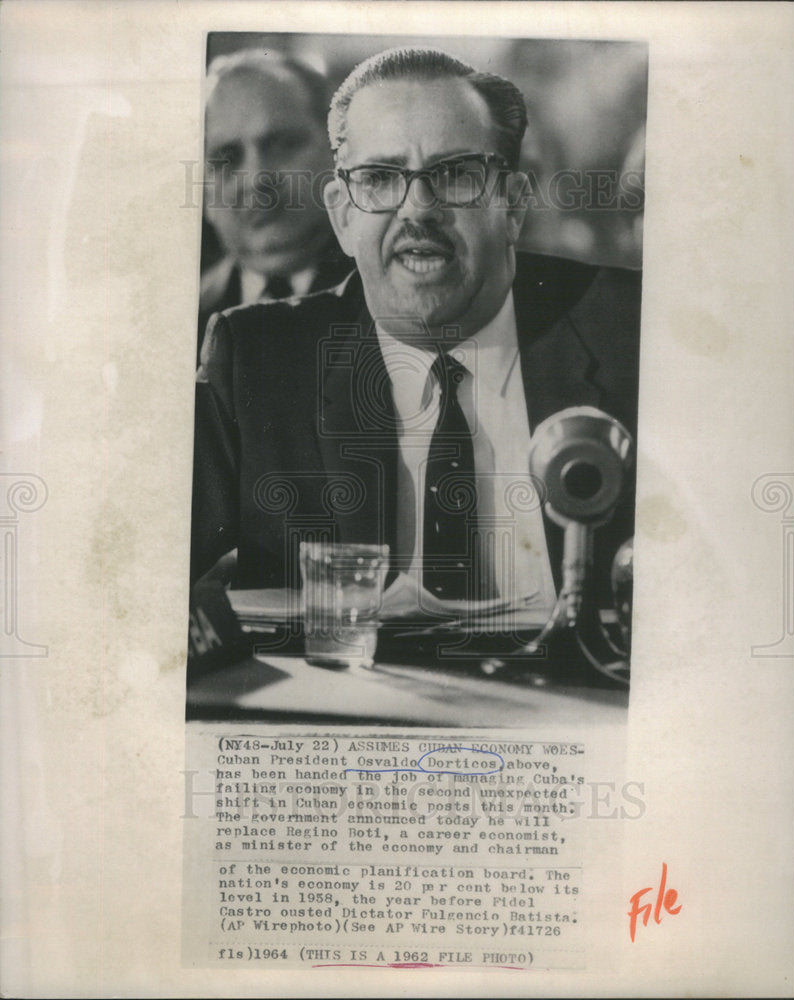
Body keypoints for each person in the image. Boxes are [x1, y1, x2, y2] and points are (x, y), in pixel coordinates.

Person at [191, 47, 640, 614]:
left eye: (454, 175)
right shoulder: (256, 362)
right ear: (344, 214)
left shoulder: (633, 332)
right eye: (380, 178)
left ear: (513, 203)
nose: (417, 209)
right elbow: (130, 575)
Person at [198, 49, 352, 358]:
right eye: (226, 158)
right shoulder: (182, 313)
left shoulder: (392, 296)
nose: (257, 178)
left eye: (282, 145)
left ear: (337, 154)